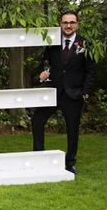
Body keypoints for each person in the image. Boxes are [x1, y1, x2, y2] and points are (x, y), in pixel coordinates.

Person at [31, 10, 96, 174]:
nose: (68, 25)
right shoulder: (52, 43)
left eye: (72, 22)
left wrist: (84, 92)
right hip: (53, 92)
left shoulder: (85, 44)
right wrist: (43, 76)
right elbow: (44, 65)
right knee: (37, 121)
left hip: (74, 94)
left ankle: (70, 163)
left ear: (77, 24)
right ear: (60, 24)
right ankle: (38, 158)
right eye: (65, 22)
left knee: (73, 130)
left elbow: (91, 71)